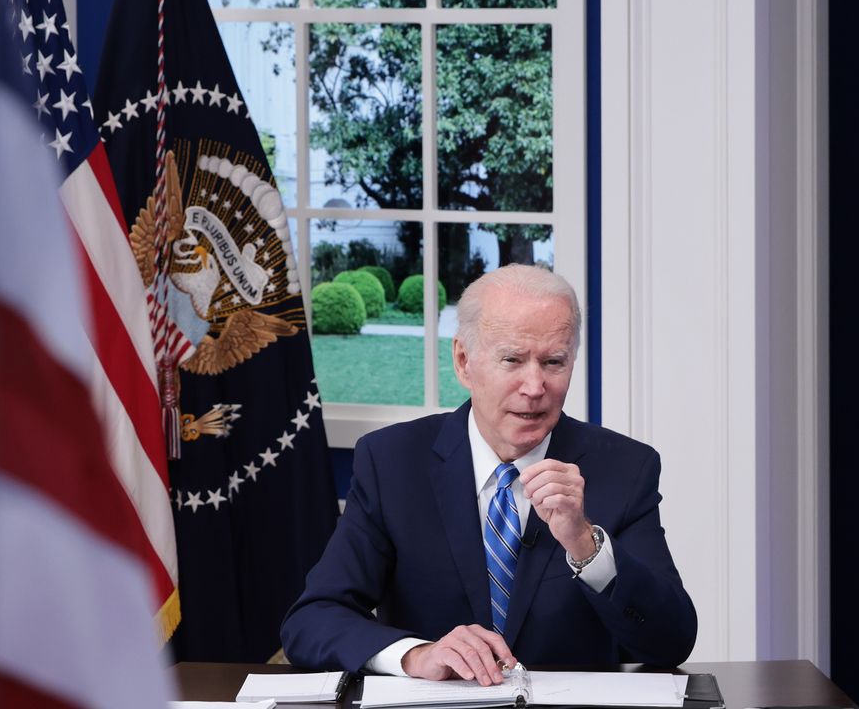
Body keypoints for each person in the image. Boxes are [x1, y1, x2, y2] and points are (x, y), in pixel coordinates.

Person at [280, 265, 696, 680]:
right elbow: (312, 621)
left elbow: (671, 641)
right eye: (512, 359)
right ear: (464, 361)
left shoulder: (626, 468)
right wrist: (416, 655)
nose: (535, 387)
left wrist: (586, 545)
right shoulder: (391, 462)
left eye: (553, 362)